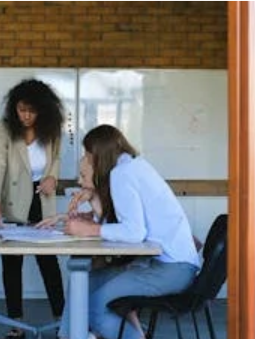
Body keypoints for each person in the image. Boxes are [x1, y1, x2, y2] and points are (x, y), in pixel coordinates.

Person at [56, 125, 202, 339]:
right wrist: (94, 218)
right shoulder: (133, 166)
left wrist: (90, 230)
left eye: (88, 154)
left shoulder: (121, 173)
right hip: (171, 265)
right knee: (87, 279)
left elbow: (134, 232)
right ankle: (68, 335)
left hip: (172, 270)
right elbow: (131, 224)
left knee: (96, 305)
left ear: (100, 155)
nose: (86, 159)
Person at [0, 78, 67, 338]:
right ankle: (16, 323)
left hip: (42, 199)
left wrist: (53, 176)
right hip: (12, 201)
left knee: (48, 261)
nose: (25, 116)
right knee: (12, 263)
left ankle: (61, 318)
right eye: (21, 109)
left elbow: (56, 159)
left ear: (43, 109)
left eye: (31, 110)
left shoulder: (51, 129)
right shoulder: (4, 128)